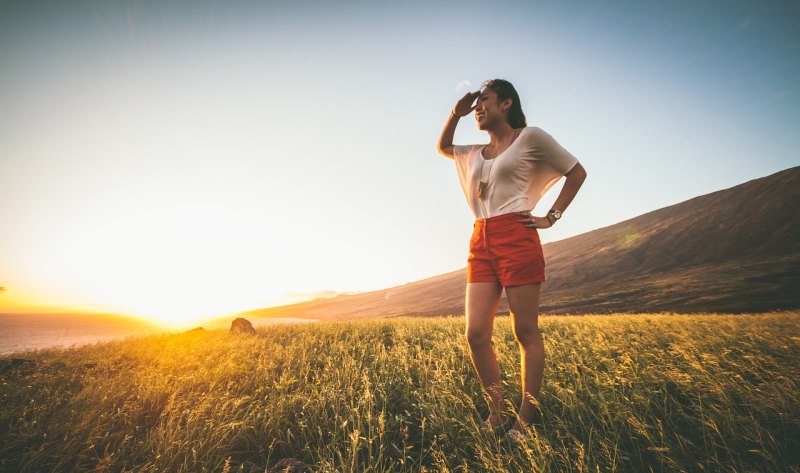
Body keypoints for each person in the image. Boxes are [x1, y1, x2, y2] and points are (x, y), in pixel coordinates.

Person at [436, 79, 587, 439]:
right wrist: (455, 113)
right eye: (475, 106)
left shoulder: (530, 137)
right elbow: (443, 146)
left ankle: (526, 418)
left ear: (506, 103)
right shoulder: (474, 152)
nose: (478, 109)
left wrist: (551, 217)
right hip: (480, 238)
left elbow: (576, 172)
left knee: (525, 331)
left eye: (484, 101)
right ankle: (497, 412)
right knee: (475, 334)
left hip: (517, 235)